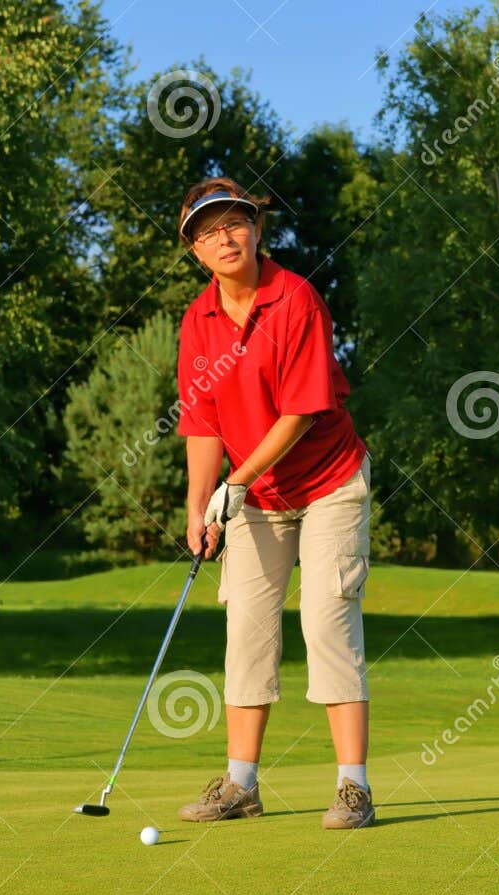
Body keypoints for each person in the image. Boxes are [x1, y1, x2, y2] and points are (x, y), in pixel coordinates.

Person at [172, 176, 375, 830]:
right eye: (208, 232)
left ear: (257, 229)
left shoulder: (296, 298)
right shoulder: (198, 321)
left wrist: (236, 482)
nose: (224, 238)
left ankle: (353, 787)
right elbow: (202, 425)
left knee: (325, 622)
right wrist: (198, 507)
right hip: (255, 495)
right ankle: (241, 785)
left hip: (328, 483)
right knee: (247, 631)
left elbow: (301, 411)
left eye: (235, 223)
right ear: (196, 251)